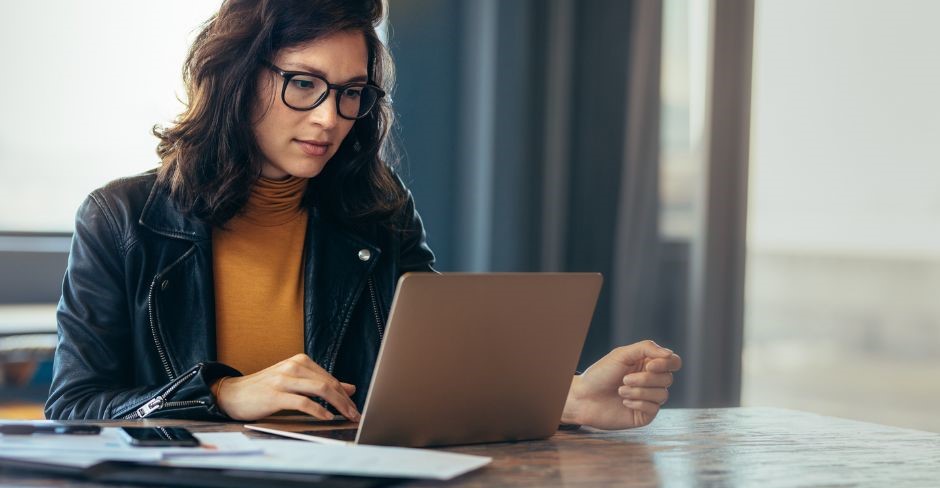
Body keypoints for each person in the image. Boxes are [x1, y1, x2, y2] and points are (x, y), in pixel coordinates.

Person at [44, 0, 682, 430]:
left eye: (351, 92)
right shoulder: (122, 219)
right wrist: (220, 396)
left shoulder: (378, 209)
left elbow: (433, 375)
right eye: (303, 83)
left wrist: (566, 397)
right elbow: (73, 408)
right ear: (235, 77)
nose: (329, 117)